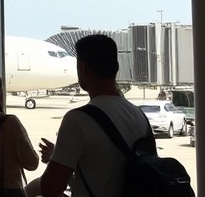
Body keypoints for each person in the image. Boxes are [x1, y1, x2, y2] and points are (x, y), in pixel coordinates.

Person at [39, 35, 150, 197]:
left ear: (82, 68)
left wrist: (57, 158)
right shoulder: (139, 116)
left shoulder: (77, 119)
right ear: (116, 68)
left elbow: (50, 188)